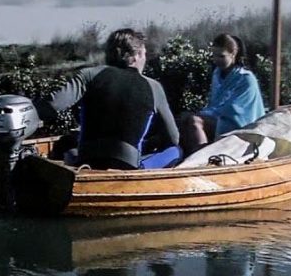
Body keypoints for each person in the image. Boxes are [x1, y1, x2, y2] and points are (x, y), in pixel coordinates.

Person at [35, 28, 180, 170]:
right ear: (136, 56)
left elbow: (52, 105)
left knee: (69, 147)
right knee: (176, 151)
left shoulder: (88, 75)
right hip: (128, 164)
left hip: (87, 159)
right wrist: (149, 143)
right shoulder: (154, 87)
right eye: (144, 55)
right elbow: (173, 138)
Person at [180, 33, 265, 155]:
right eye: (214, 56)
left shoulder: (246, 78)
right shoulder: (217, 74)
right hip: (220, 118)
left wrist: (203, 114)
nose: (216, 60)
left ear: (233, 54)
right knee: (183, 120)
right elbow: (215, 103)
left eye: (221, 56)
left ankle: (201, 159)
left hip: (239, 124)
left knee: (195, 121)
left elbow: (234, 109)